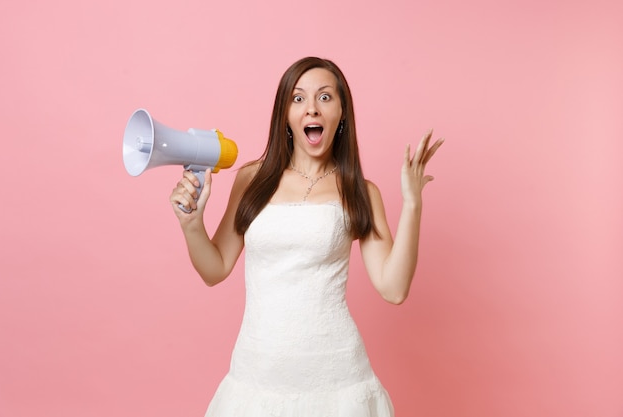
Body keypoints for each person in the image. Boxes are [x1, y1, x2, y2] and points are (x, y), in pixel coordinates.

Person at [169, 56, 443, 417]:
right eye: (298, 99)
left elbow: (393, 289)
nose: (311, 108)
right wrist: (191, 224)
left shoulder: (360, 191)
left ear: (342, 112)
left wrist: (412, 204)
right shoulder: (251, 179)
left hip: (337, 381)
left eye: (325, 98)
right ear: (284, 114)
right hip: (257, 375)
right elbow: (214, 268)